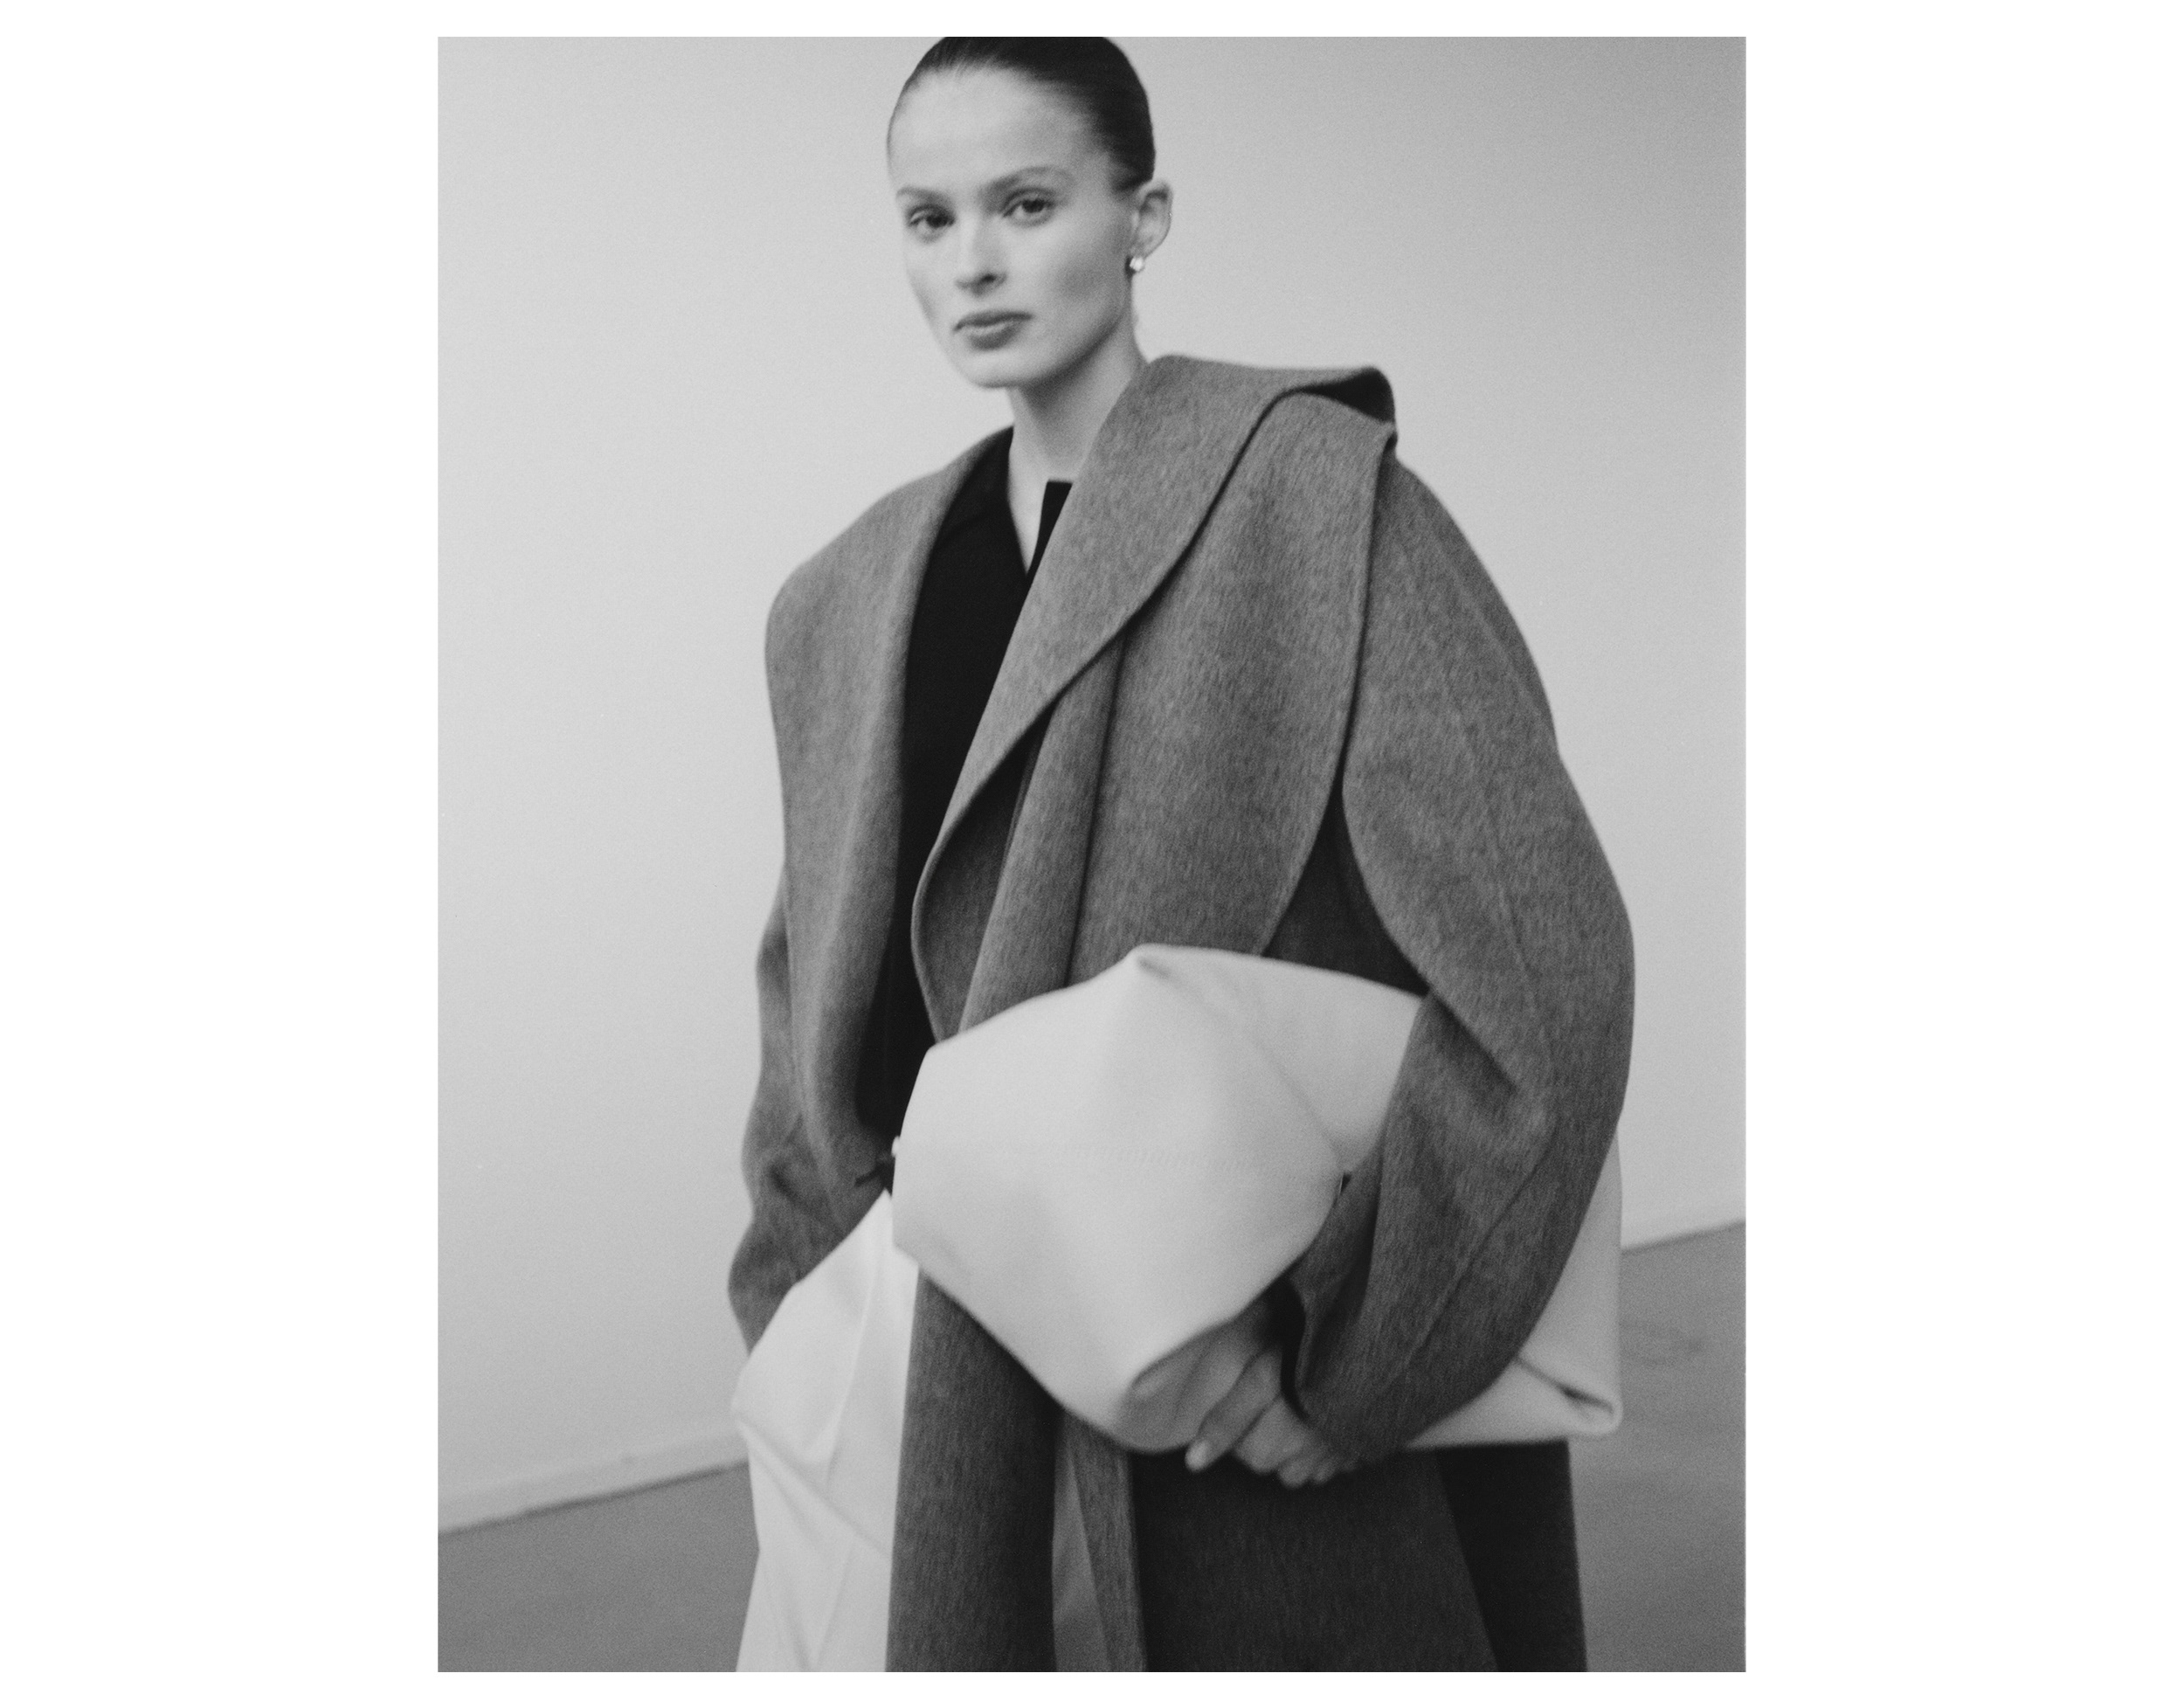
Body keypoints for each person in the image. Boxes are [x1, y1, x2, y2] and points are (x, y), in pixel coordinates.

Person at [729, 37, 1635, 1670]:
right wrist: (793, 1318)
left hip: (1234, 1374)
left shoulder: (1317, 502)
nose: (974, 261)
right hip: (921, 1364)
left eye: (1026, 203)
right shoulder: (841, 603)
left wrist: (1351, 1352)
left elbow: (1541, 969)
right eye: (929, 218)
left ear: (1142, 216)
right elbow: (811, 1020)